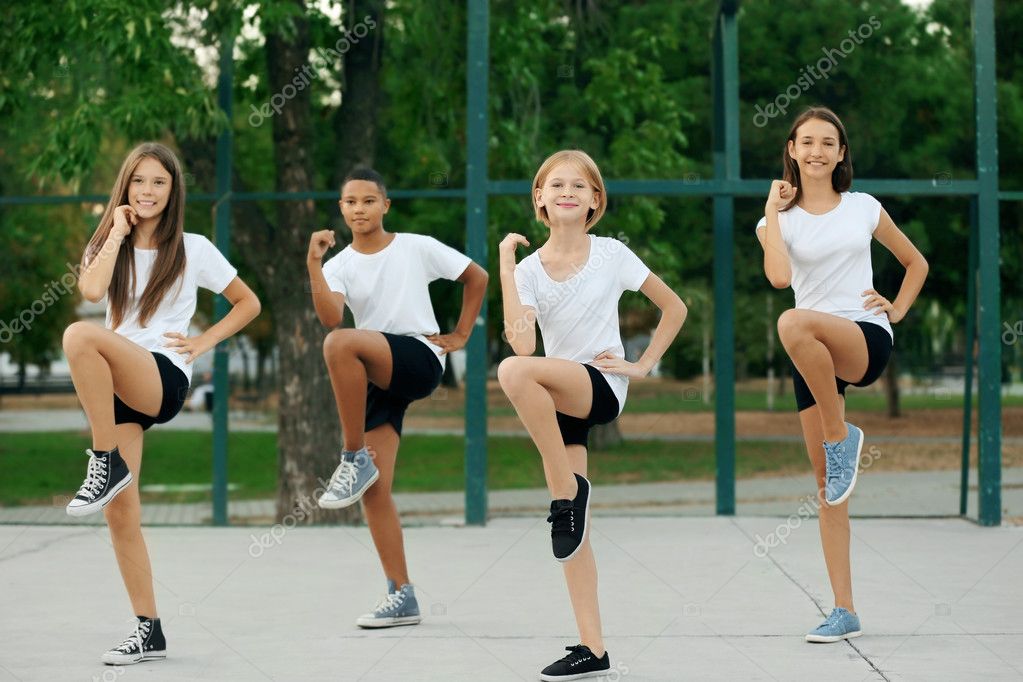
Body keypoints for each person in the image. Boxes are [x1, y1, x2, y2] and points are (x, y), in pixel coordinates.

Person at [63, 142, 260, 664]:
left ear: (173, 192)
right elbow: (90, 289)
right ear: (125, 187)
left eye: (159, 183)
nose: (147, 192)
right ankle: (148, 629)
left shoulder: (193, 247)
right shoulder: (109, 241)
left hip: (163, 377)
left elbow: (249, 302)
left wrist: (201, 344)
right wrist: (116, 232)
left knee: (79, 338)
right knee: (121, 515)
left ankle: (103, 463)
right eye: (139, 182)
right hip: (118, 386)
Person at [498, 150, 686, 680]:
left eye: (579, 186)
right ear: (539, 198)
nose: (567, 192)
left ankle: (565, 493)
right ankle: (593, 648)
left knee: (513, 373)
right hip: (556, 396)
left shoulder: (612, 254)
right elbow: (523, 338)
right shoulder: (529, 270)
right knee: (573, 536)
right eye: (555, 184)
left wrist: (643, 365)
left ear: (595, 201)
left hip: (600, 384)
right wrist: (508, 268)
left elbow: (675, 308)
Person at [755, 107, 928, 643]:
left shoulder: (863, 207)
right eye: (806, 141)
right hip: (812, 355)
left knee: (791, 321)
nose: (816, 151)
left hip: (862, 337)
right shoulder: (775, 223)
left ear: (841, 153)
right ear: (791, 150)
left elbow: (915, 262)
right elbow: (781, 276)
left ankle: (842, 439)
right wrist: (771, 210)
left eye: (827, 142)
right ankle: (845, 609)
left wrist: (895, 309)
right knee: (828, 488)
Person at [306, 167, 488, 628]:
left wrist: (462, 333)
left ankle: (351, 457)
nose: (359, 209)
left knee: (340, 344)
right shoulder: (339, 264)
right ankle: (401, 594)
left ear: (385, 205)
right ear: (342, 209)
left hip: (419, 355)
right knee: (375, 491)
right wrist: (313, 264)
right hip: (375, 370)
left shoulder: (415, 246)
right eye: (350, 202)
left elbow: (477, 277)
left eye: (369, 200)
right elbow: (330, 315)